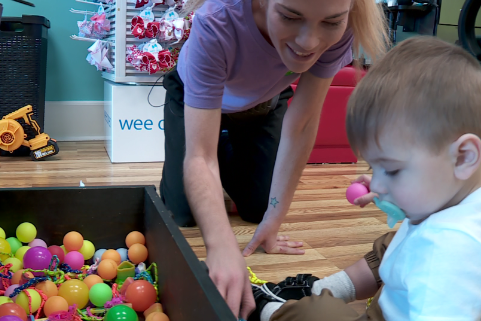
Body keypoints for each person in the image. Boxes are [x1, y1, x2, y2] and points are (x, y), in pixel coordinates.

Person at [158, 0, 389, 318]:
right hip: (194, 102)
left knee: (258, 211)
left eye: (331, 22)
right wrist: (222, 247)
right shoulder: (217, 20)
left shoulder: (347, 23)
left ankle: (225, 162)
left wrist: (274, 218)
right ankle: (217, 155)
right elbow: (200, 156)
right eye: (290, 16)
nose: (309, 43)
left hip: (263, 104)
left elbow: (303, 122)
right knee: (182, 212)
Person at [250, 36, 481, 321]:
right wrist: (396, 189)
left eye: (393, 169)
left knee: (319, 314)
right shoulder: (463, 195)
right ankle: (317, 288)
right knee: (392, 241)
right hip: (407, 290)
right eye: (374, 168)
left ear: (463, 157)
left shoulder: (446, 252)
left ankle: (263, 309)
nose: (379, 185)